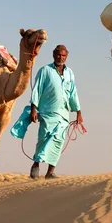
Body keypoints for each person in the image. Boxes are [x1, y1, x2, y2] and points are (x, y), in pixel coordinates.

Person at [29, 44, 83, 180]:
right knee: (43, 139)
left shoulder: (69, 73)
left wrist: (78, 112)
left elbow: (73, 93)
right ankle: (36, 164)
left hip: (64, 114)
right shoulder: (45, 70)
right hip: (48, 112)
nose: (61, 58)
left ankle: (50, 171)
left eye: (64, 55)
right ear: (54, 55)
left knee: (58, 142)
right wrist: (33, 109)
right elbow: (36, 90)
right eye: (59, 55)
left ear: (67, 56)